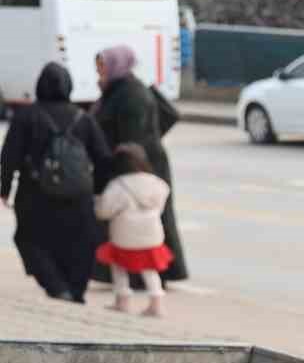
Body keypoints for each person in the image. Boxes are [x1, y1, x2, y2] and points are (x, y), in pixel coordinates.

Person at [0, 63, 113, 302]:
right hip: (78, 196)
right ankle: (75, 291)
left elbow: (9, 157)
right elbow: (103, 158)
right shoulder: (84, 119)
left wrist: (4, 190)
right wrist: (97, 190)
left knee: (29, 240)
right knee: (78, 243)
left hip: (34, 194)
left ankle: (57, 287)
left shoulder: (26, 116)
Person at [91, 45, 187, 285]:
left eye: (102, 66)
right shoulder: (116, 91)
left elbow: (132, 140)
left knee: (141, 222)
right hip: (130, 165)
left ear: (116, 66)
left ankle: (152, 275)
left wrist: (121, 169)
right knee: (132, 223)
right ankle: (138, 274)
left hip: (141, 167)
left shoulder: (132, 96)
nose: (99, 72)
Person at [95, 143, 173, 317]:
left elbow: (104, 211)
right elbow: (162, 200)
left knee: (118, 265)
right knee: (150, 269)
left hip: (124, 235)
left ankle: (122, 300)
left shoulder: (117, 185)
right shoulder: (156, 183)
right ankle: (156, 303)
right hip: (151, 234)